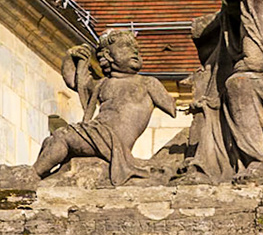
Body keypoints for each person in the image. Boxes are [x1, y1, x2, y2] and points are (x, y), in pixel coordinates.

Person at [30, 30, 175, 186]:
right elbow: (76, 82)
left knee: (62, 136)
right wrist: (70, 58)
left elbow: (172, 108)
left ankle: (32, 175)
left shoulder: (147, 83)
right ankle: (39, 176)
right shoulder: (103, 84)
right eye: (126, 47)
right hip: (98, 132)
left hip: (113, 140)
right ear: (108, 56)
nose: (134, 51)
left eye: (136, 49)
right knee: (50, 141)